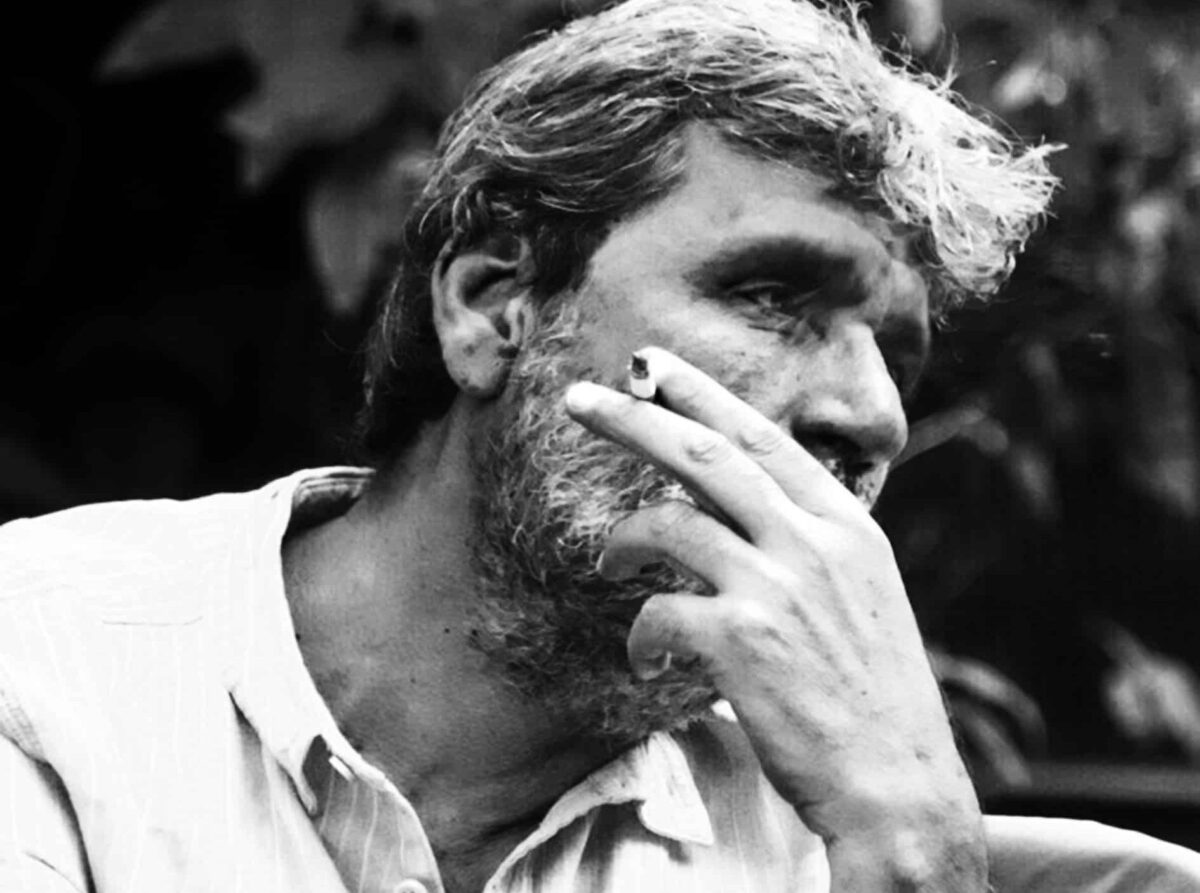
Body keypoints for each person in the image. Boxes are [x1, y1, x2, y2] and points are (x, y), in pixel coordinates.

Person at [3, 1, 1198, 891]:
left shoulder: (858, 838)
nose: (873, 412)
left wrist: (915, 854)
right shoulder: (46, 672)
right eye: (772, 294)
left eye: (897, 354)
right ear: (491, 304)